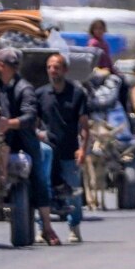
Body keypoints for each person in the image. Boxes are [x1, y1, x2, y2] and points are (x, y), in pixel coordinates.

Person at [0, 47, 60, 246]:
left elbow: (30, 116)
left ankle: (47, 226)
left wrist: (9, 124)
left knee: (38, 177)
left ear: (2, 66)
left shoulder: (25, 88)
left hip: (22, 139)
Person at [35, 53, 89, 243]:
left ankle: (74, 227)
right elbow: (35, 123)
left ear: (65, 70)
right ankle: (41, 228)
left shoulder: (77, 93)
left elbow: (83, 125)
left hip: (69, 152)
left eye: (56, 66)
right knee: (43, 190)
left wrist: (82, 149)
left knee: (73, 192)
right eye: (49, 67)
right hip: (47, 153)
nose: (52, 70)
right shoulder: (41, 94)